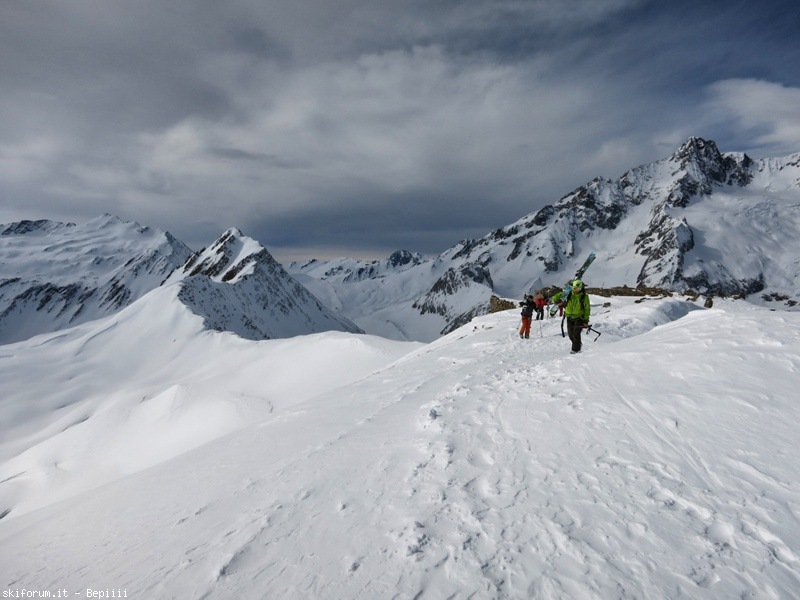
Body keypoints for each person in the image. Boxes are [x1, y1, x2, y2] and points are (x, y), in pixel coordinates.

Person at [559, 279, 591, 353]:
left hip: (579, 317)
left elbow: (587, 309)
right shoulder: (569, 294)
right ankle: (578, 344)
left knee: (576, 333)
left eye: (577, 288)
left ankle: (575, 350)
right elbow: (561, 299)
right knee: (570, 334)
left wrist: (586, 320)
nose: (576, 290)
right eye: (574, 288)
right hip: (569, 317)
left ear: (581, 288)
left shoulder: (584, 297)